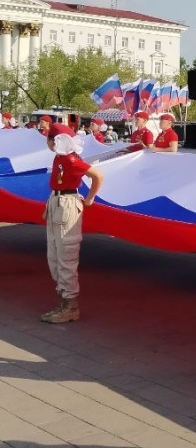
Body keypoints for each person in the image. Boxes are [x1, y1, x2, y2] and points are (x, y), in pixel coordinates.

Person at [40, 123, 104, 324]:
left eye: (50, 139)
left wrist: (90, 198)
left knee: (66, 255)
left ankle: (70, 306)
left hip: (67, 204)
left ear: (55, 141)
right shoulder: (60, 157)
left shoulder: (71, 159)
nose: (48, 143)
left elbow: (97, 175)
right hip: (57, 202)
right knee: (55, 255)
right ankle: (63, 302)